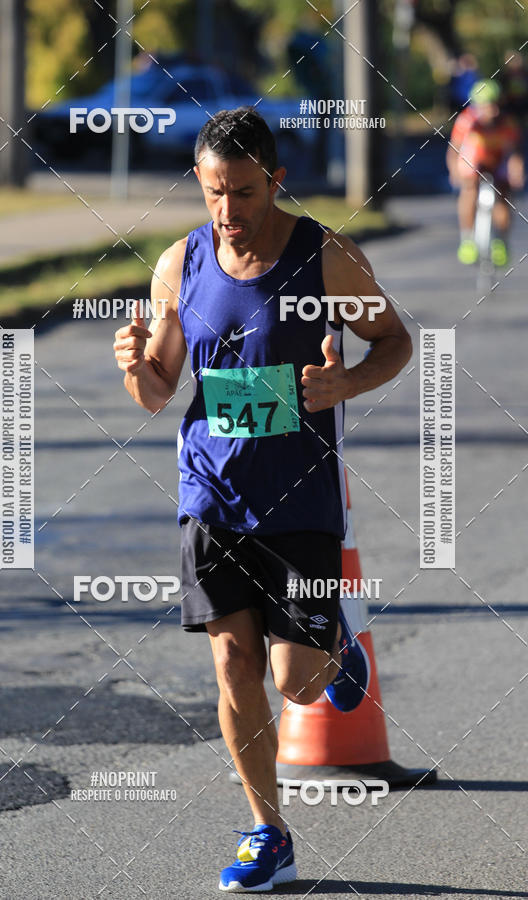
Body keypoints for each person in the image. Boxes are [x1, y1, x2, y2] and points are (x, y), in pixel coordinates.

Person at [114, 107, 412, 892]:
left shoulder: (326, 257)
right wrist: (136, 368)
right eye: (214, 192)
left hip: (300, 497)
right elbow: (159, 390)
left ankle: (336, 647)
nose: (228, 210)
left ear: (275, 182)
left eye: (243, 192)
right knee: (232, 662)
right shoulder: (181, 262)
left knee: (298, 682)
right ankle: (268, 832)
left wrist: (346, 383)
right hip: (211, 493)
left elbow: (395, 340)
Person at [447, 78, 524, 266]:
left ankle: (501, 241)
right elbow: (454, 150)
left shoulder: (507, 122)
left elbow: (514, 153)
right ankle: (467, 239)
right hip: (475, 159)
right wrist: (454, 171)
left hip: (498, 160)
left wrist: (517, 172)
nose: (494, 110)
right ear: (478, 106)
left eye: (496, 104)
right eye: (489, 105)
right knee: (469, 188)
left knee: (504, 192)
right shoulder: (467, 120)